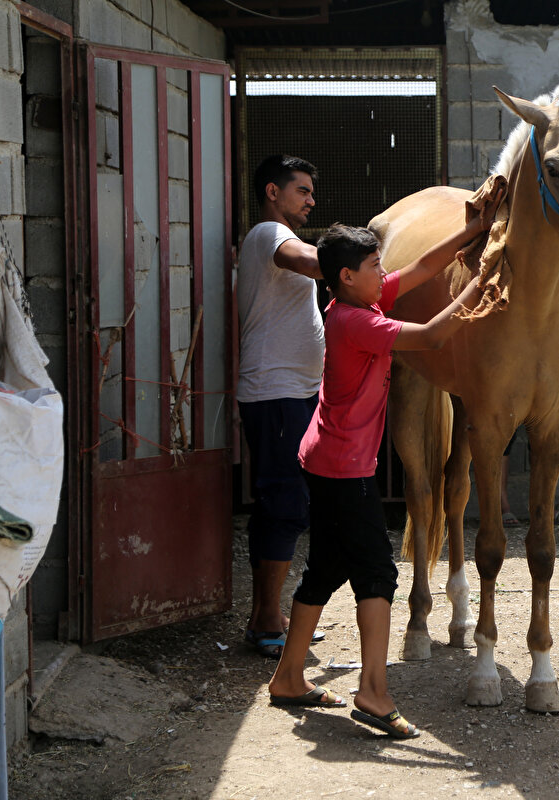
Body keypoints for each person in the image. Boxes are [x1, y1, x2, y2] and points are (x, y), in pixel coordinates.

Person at [267, 214, 497, 739]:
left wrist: (471, 230)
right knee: (378, 574)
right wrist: (484, 282)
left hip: (325, 459)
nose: (383, 271)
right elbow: (435, 336)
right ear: (347, 276)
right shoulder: (358, 323)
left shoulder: (358, 301)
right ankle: (373, 691)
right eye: (375, 265)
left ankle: (288, 677)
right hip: (345, 470)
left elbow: (420, 267)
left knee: (325, 568)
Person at [236, 154, 328, 658]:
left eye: (313, 191)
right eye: (302, 190)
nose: (311, 199)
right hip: (274, 394)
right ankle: (268, 619)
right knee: (284, 504)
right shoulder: (267, 236)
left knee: (287, 504)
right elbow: (309, 262)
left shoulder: (283, 236)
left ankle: (265, 617)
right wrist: (359, 257)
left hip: (295, 393)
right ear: (273, 191)